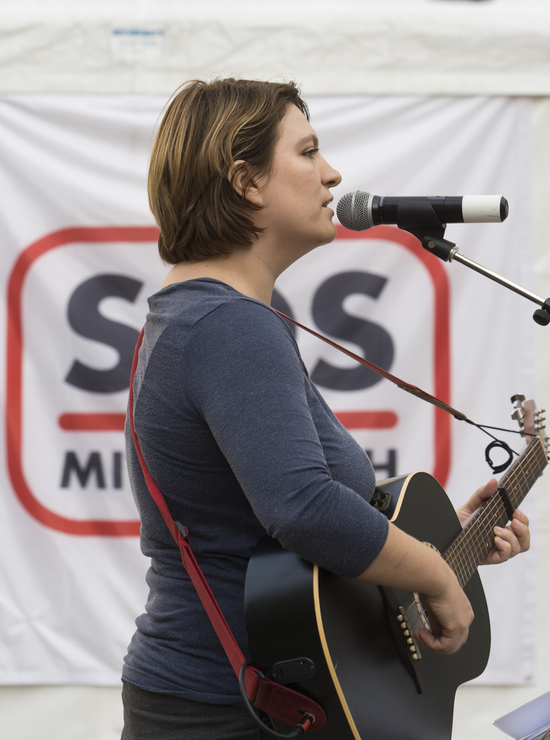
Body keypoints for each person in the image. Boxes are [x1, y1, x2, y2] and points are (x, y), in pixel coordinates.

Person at [121, 78, 531, 739]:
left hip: (244, 694)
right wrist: (431, 572)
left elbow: (286, 543)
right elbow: (304, 509)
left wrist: (440, 542)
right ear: (246, 182)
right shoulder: (228, 324)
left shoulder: (220, 315)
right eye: (308, 152)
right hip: (230, 711)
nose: (333, 174)